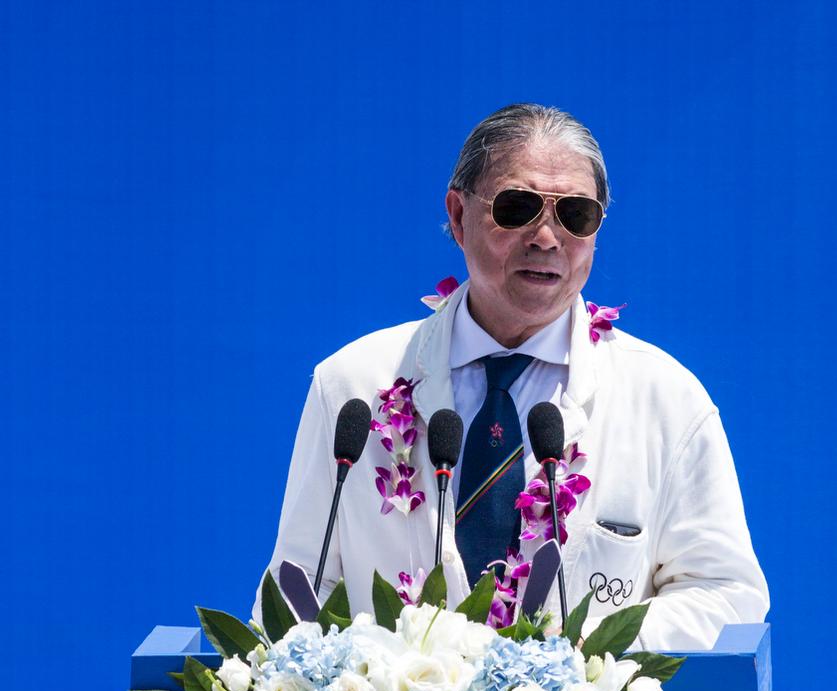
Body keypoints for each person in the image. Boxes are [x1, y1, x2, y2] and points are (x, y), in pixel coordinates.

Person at [263, 103, 769, 651]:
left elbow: (725, 594)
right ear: (458, 216)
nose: (547, 238)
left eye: (575, 214)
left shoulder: (666, 398)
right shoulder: (352, 385)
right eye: (518, 207)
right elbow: (300, 591)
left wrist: (576, 661)